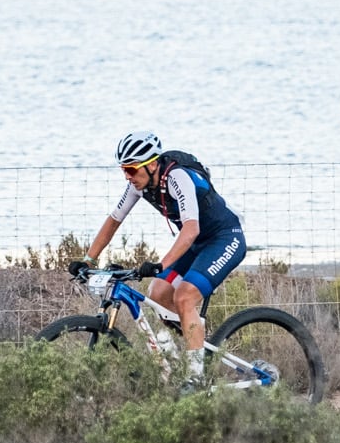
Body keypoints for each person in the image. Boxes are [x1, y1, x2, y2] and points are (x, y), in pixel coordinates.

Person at [71, 131, 249, 393]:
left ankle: (196, 381)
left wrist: (161, 264)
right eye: (124, 170)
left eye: (132, 169)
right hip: (198, 243)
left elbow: (190, 230)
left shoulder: (178, 178)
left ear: (152, 164)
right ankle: (183, 357)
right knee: (158, 293)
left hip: (224, 238)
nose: (128, 176)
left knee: (185, 297)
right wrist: (87, 259)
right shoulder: (138, 185)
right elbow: (113, 221)